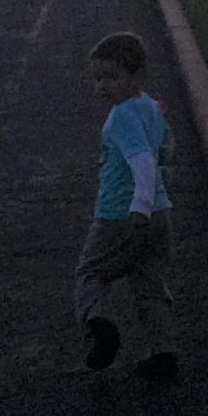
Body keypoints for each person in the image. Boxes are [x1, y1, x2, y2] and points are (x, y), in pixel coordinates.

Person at [76, 31, 178, 378]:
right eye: (97, 78)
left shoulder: (121, 115)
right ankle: (163, 353)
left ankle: (100, 325)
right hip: (161, 214)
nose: (102, 86)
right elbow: (166, 151)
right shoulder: (151, 107)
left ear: (137, 76)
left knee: (91, 273)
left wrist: (140, 203)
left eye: (111, 77)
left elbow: (144, 160)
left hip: (121, 214)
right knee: (150, 285)